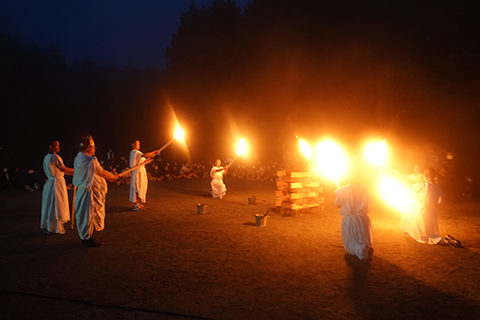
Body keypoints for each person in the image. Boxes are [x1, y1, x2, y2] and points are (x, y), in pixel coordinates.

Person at [73, 135, 119, 247]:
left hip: (80, 191)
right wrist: (113, 177)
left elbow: (94, 173)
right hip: (87, 192)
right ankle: (87, 239)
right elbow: (101, 172)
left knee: (82, 214)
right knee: (88, 215)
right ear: (88, 148)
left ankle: (86, 237)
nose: (94, 150)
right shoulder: (90, 160)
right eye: (93, 148)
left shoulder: (78, 157)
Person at [334, 168, 374, 262]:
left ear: (349, 176)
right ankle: (364, 250)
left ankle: (362, 250)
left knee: (350, 244)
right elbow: (369, 203)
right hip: (363, 220)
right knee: (363, 239)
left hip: (350, 221)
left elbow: (338, 204)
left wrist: (341, 196)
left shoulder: (343, 190)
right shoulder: (365, 189)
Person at [402, 168, 444, 245]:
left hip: (422, 211)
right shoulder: (438, 187)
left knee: (407, 212)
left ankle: (412, 231)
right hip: (432, 212)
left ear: (426, 175)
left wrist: (403, 178)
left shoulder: (425, 186)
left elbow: (412, 185)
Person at [40, 141, 74, 234]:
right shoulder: (55, 157)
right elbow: (63, 169)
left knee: (51, 204)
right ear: (51, 146)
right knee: (55, 204)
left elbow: (62, 171)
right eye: (57, 145)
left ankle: (50, 226)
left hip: (51, 182)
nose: (59, 147)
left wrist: (74, 172)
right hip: (56, 183)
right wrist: (77, 170)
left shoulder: (46, 157)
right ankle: (53, 227)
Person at [129, 140, 158, 211]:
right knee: (137, 187)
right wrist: (154, 152)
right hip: (137, 172)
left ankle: (138, 203)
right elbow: (145, 155)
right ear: (133, 144)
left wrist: (155, 155)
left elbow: (146, 159)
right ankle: (136, 204)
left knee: (141, 187)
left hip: (141, 172)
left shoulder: (139, 153)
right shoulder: (134, 152)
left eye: (139, 144)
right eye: (137, 144)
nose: (138, 145)